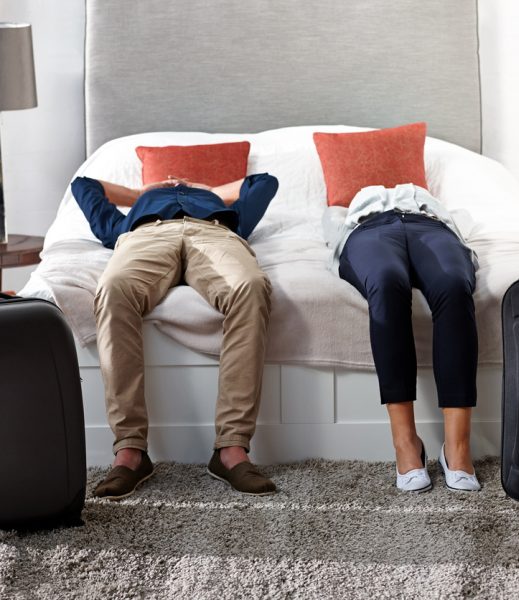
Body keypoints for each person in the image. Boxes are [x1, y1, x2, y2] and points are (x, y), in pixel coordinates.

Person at [71, 170, 279, 499]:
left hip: (214, 233)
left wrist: (206, 187)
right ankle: (130, 451)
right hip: (146, 236)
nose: (177, 183)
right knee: (112, 288)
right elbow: (83, 185)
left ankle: (231, 449)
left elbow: (264, 182)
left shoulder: (226, 211)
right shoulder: (132, 213)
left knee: (251, 287)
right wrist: (141, 192)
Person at [323, 183, 481, 493]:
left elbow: (464, 221)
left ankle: (457, 446)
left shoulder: (432, 203)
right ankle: (406, 443)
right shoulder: (346, 209)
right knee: (385, 282)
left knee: (453, 285)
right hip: (370, 230)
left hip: (431, 228)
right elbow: (331, 229)